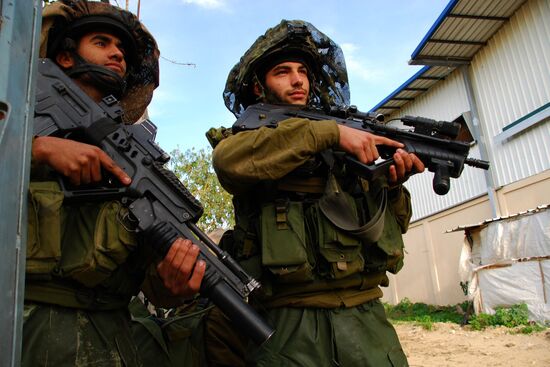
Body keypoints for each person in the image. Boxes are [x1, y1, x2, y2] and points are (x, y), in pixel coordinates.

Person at [208, 19, 425, 366]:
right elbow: (228, 162)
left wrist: (392, 184)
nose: (297, 80)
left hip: (367, 318)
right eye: (282, 71)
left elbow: (395, 225)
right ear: (258, 88)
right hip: (290, 327)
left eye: (303, 72)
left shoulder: (346, 146)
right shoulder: (256, 139)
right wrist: (329, 134)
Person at [24, 1, 205, 365]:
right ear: (63, 57)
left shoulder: (135, 157)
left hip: (111, 339)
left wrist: (172, 285)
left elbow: (149, 279)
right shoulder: (19, 111)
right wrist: (35, 148)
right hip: (23, 325)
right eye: (103, 42)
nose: (117, 54)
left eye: (122, 50)